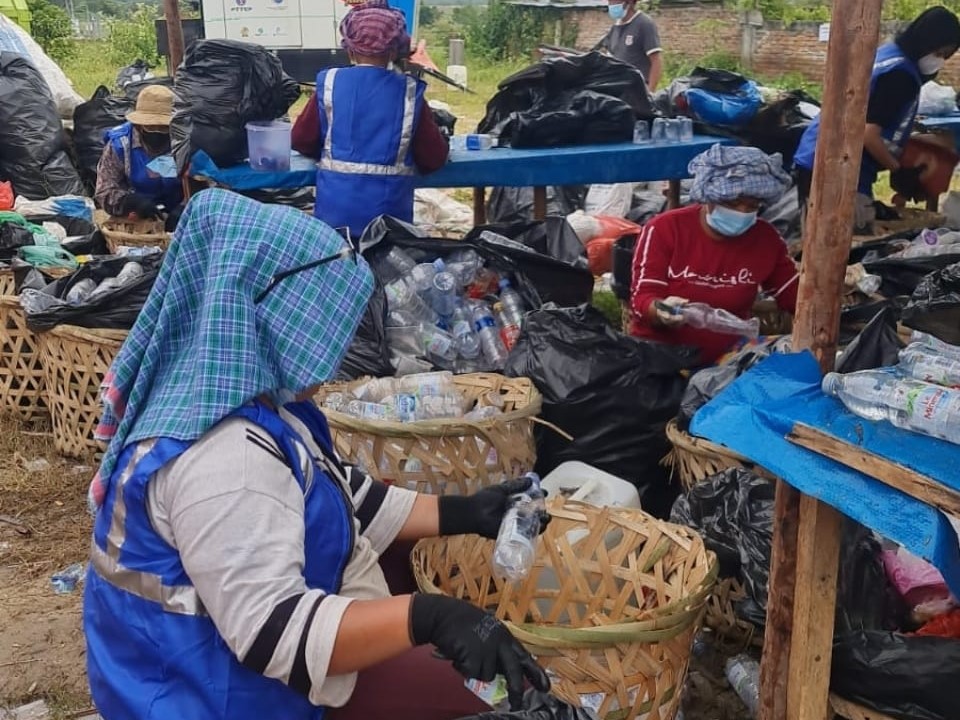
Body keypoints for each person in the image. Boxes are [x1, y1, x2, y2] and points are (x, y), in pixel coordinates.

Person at [82, 189, 550, 720]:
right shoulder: (225, 460)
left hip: (185, 664)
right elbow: (272, 632)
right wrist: (428, 618)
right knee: (473, 698)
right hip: (208, 695)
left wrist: (466, 512)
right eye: (324, 331)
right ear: (269, 323)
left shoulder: (244, 402)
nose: (335, 353)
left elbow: (338, 493)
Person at [794, 6, 960, 233]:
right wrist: (898, 169)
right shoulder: (900, 76)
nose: (940, 60)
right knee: (839, 242)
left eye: (946, 55)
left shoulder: (890, 55)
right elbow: (868, 133)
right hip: (836, 165)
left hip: (821, 154)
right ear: (927, 41)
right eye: (940, 52)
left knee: (823, 235)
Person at [291, 0, 449, 238]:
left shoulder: (330, 84)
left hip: (334, 223)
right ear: (394, 50)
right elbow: (433, 158)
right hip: (389, 227)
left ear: (350, 48)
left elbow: (301, 140)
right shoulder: (408, 91)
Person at [629, 144, 798, 365]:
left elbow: (795, 295)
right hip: (662, 356)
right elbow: (642, 299)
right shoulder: (664, 229)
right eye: (733, 204)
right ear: (709, 199)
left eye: (751, 206)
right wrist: (663, 310)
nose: (742, 213)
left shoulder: (766, 239)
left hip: (729, 357)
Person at [94, 84, 184, 231]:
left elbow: (204, 181)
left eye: (163, 128)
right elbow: (104, 191)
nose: (157, 133)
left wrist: (185, 207)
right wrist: (131, 202)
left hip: (178, 213)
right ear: (139, 125)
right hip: (137, 218)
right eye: (151, 127)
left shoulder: (183, 140)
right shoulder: (120, 144)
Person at [600, 0, 663, 91]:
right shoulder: (615, 27)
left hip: (637, 89)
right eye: (610, 2)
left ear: (629, 2)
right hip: (618, 87)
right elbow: (609, 58)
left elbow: (656, 61)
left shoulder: (644, 23)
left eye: (615, 2)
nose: (611, 5)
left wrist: (650, 92)